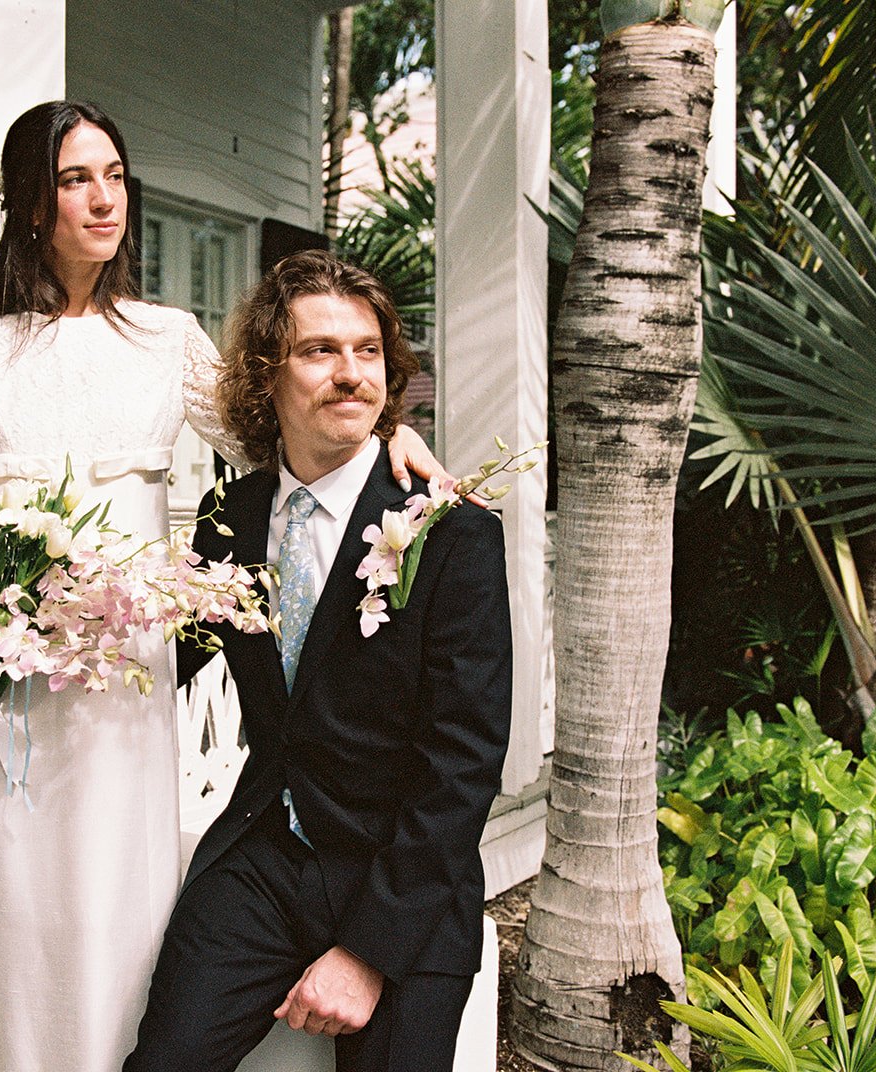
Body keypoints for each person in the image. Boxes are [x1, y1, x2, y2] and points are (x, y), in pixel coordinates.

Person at [0, 102, 445, 1072]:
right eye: (74, 179)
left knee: (100, 880)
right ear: (31, 203)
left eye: (114, 175)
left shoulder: (164, 336)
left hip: (120, 671)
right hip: (7, 660)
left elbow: (275, 428)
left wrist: (383, 425)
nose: (105, 199)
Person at [124, 250, 514, 1072]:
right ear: (267, 375)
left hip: (402, 872)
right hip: (265, 857)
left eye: (367, 351)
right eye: (319, 351)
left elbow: (463, 765)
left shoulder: (451, 534)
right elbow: (176, 655)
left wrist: (368, 954)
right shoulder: (231, 515)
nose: (351, 374)